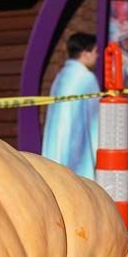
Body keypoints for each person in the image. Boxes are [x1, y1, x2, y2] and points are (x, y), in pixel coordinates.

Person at [41, 32, 100, 179]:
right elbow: (95, 119)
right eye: (95, 51)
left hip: (56, 150)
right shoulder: (87, 78)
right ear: (86, 53)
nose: (97, 56)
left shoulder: (60, 77)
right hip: (78, 151)